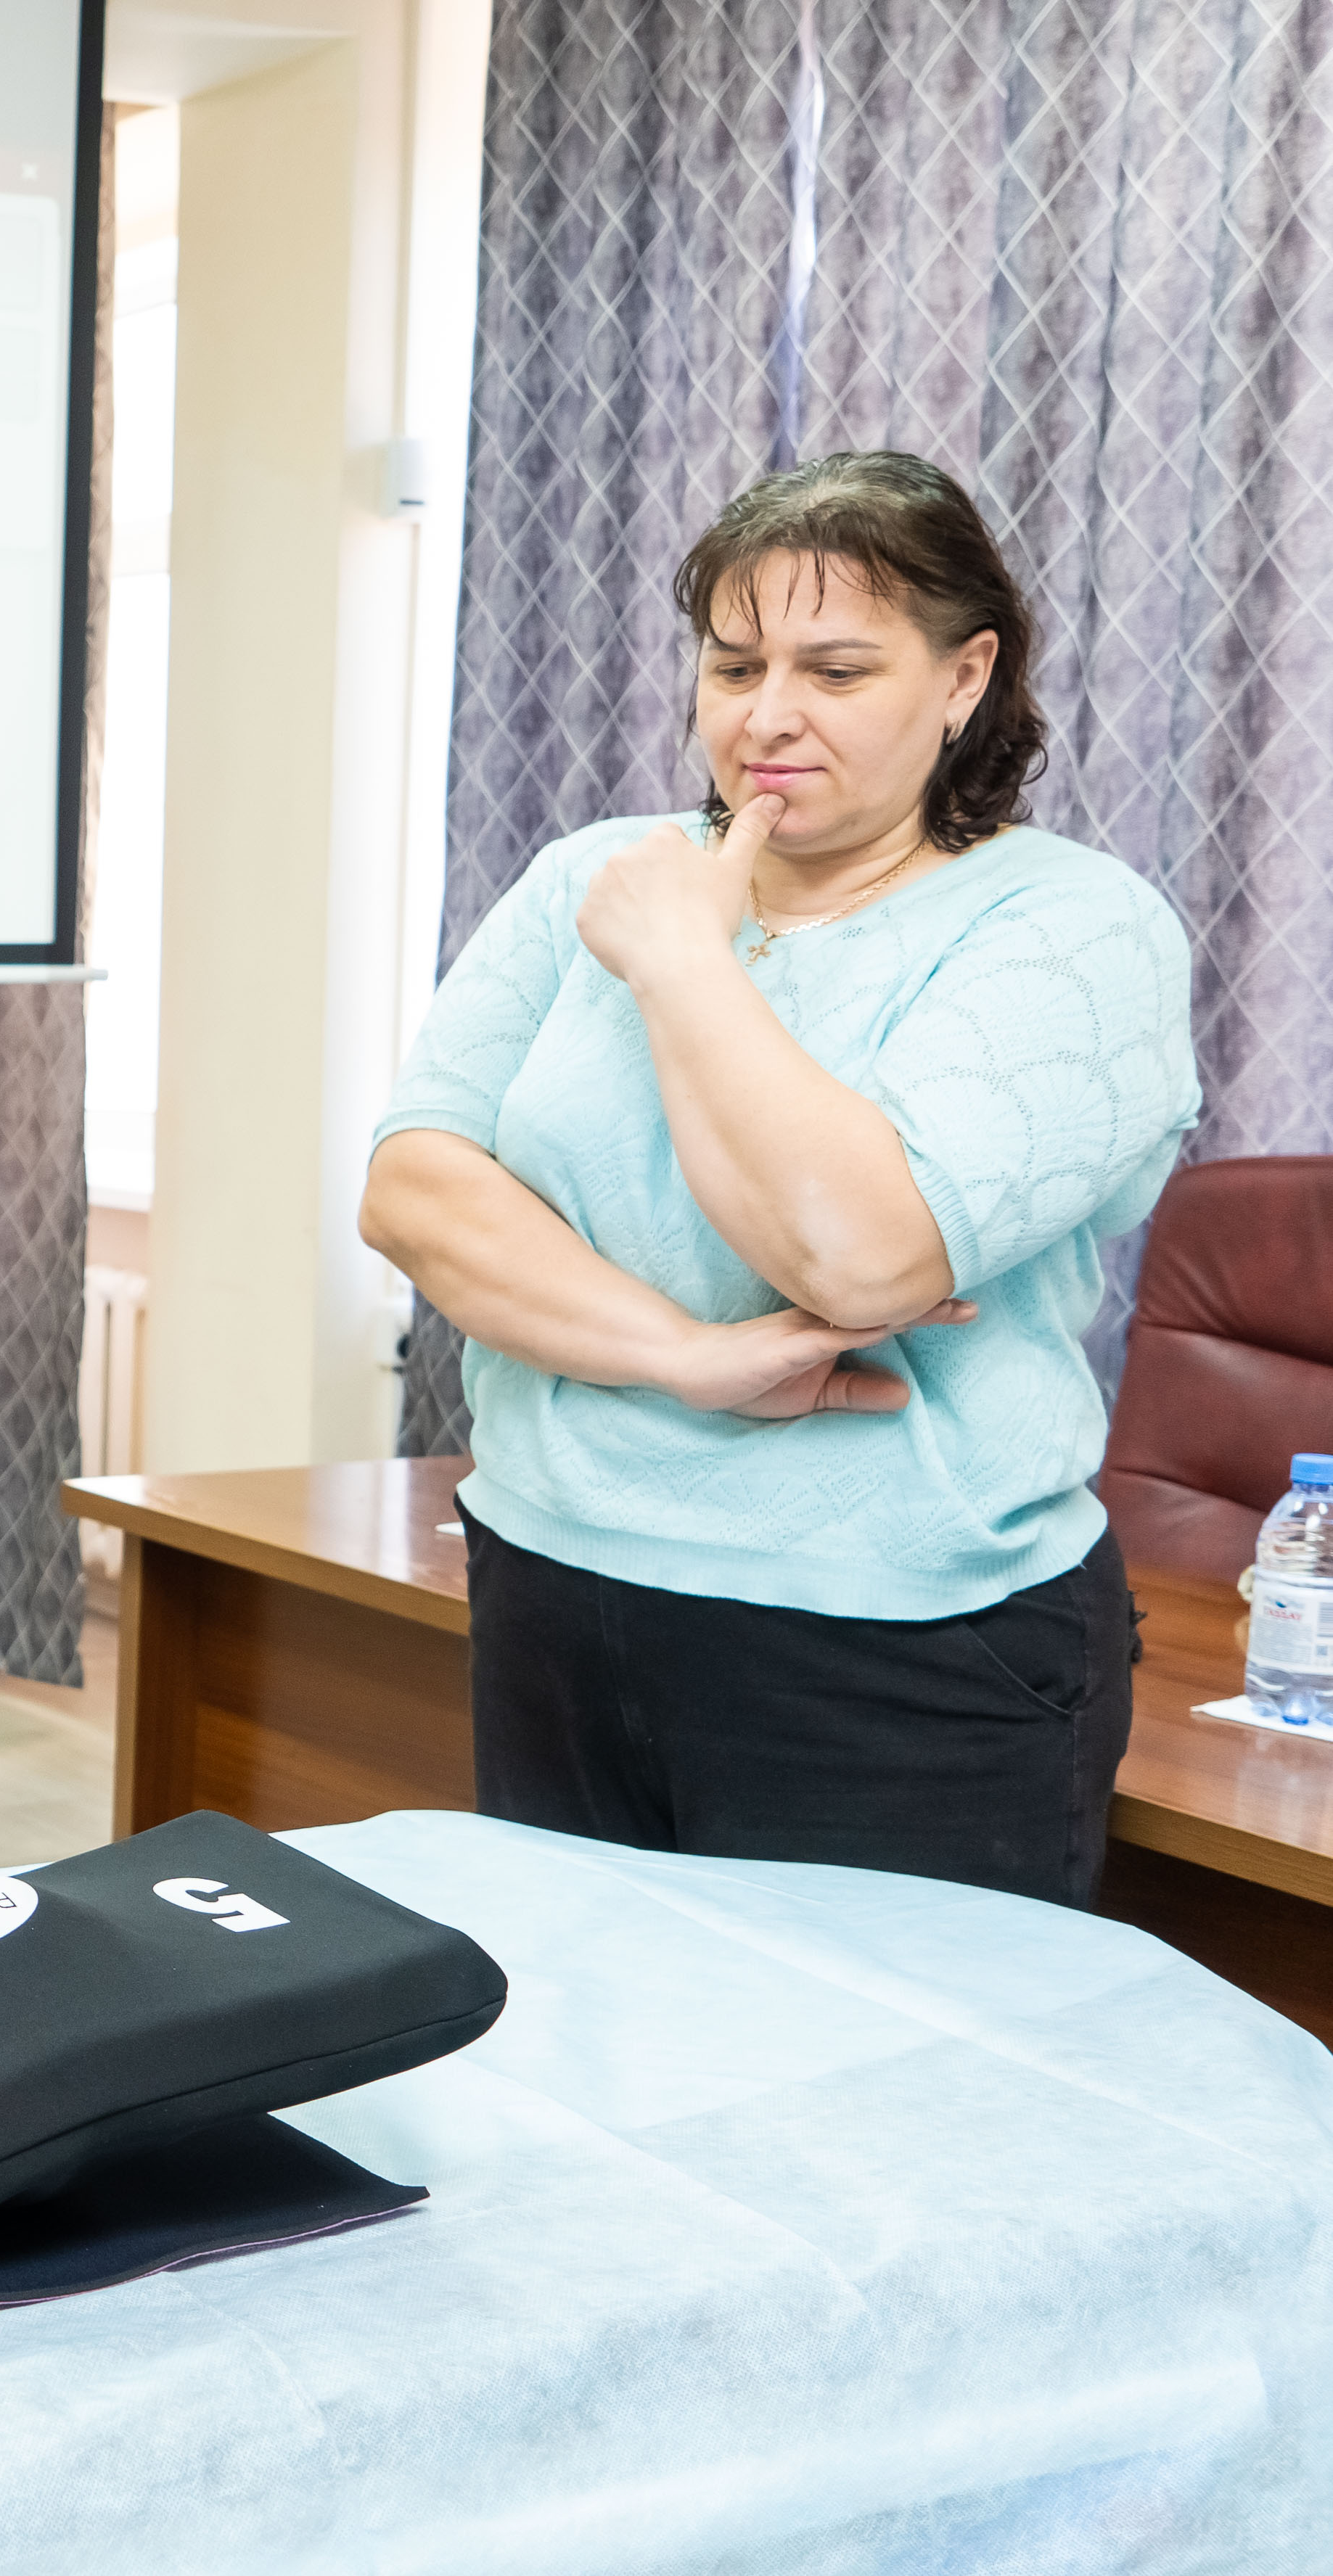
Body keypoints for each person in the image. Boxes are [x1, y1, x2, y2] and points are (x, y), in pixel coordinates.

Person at [361, 450, 1198, 1906]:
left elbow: (858, 1258)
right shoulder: (593, 879)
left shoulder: (1065, 928)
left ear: (961, 678)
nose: (765, 718)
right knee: (582, 2086)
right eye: (731, 664)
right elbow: (419, 1193)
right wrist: (686, 1358)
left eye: (835, 668)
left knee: (867, 2116)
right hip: (556, 1583)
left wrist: (689, 960)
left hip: (894, 1647)